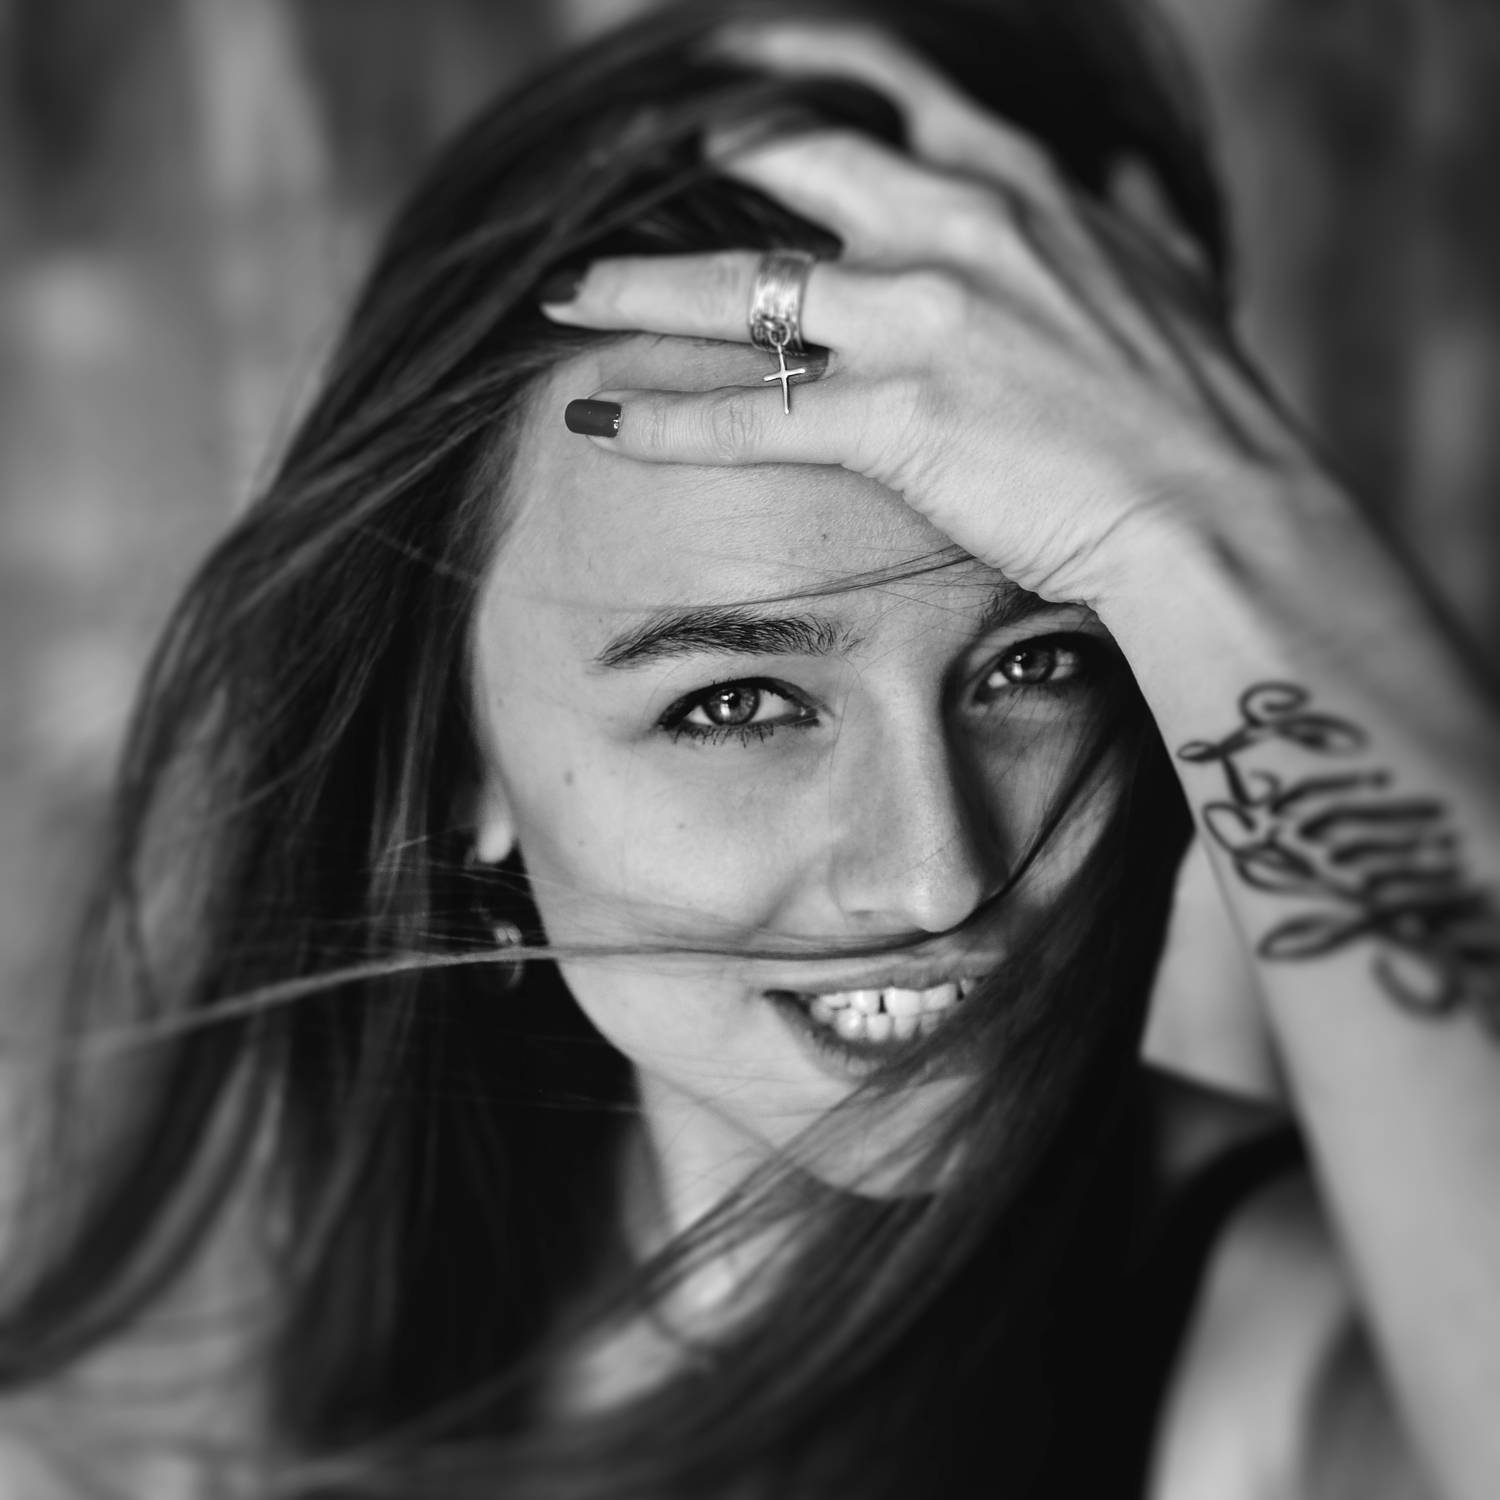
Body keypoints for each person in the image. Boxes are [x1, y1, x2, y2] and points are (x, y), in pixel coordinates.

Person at [1, 1, 1496, 1496]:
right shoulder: (194, 1337)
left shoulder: (1275, 1368)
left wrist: (1229, 512)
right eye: (736, 705)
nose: (935, 874)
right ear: (463, 759)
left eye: (1038, 666)